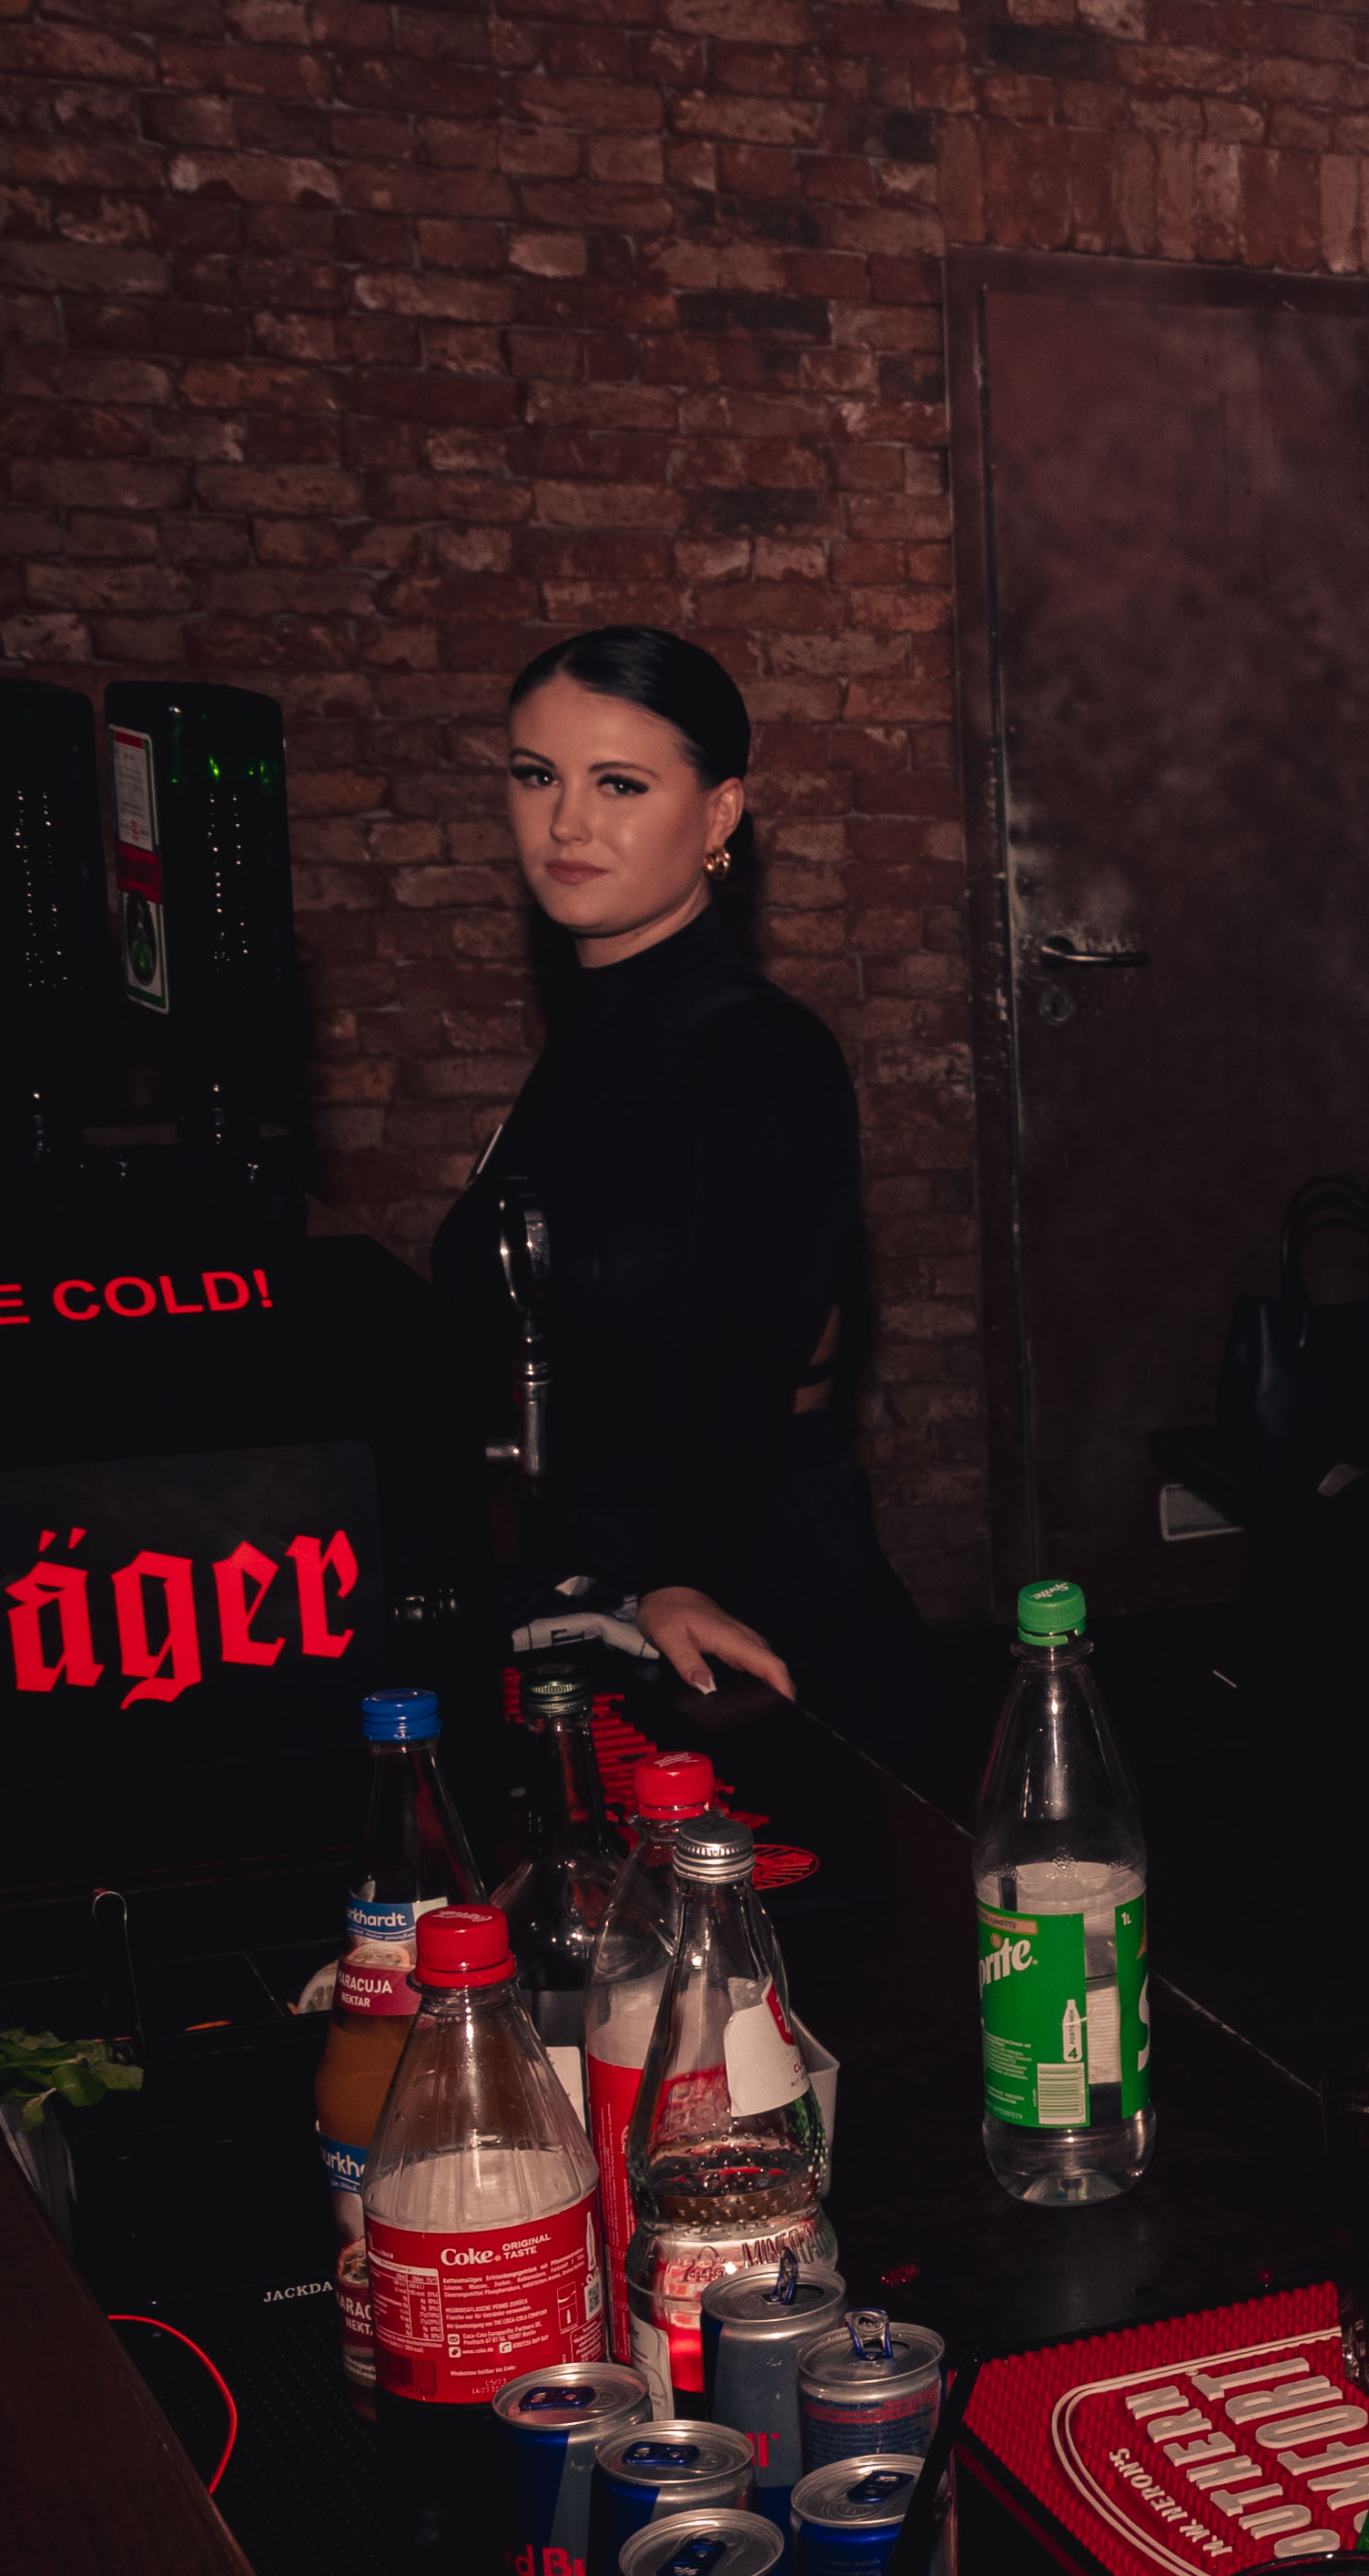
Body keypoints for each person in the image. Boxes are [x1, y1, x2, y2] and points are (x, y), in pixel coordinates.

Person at [434, 626, 934, 1777]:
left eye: (619, 784)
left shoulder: (762, 1052)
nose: (567, 822)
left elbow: (745, 1353)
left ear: (719, 816)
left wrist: (685, 1576)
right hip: (602, 1580)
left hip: (742, 1599)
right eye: (537, 776)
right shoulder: (592, 1039)